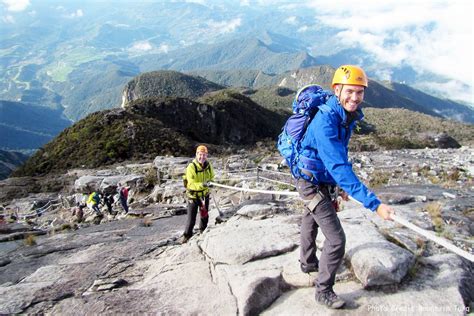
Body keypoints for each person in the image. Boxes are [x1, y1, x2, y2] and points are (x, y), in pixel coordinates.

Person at [296, 65, 394, 309]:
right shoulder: (326, 122)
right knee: (337, 239)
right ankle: (323, 290)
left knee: (311, 217)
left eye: (359, 92)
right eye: (350, 91)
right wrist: (375, 204)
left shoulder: (343, 115)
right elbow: (339, 166)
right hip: (310, 181)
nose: (355, 97)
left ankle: (308, 263)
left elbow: (335, 158)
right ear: (336, 90)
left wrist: (338, 188)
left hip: (319, 178)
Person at [179, 145, 215, 244]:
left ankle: (202, 231)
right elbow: (190, 184)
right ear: (196, 154)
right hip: (193, 196)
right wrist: (203, 185)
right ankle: (187, 236)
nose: (202, 157)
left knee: (205, 216)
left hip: (204, 195)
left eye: (204, 155)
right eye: (200, 155)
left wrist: (211, 183)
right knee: (191, 219)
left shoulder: (208, 165)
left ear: (206, 155)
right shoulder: (191, 167)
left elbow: (212, 177)